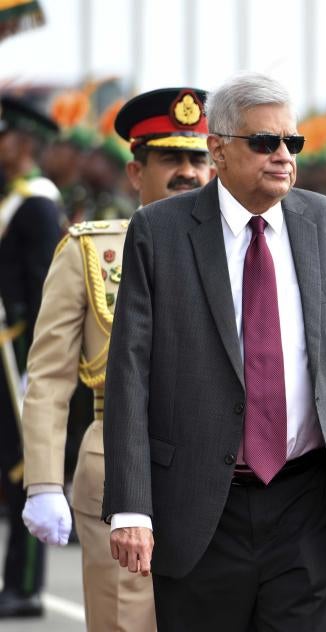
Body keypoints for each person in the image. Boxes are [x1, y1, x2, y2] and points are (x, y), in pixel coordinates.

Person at [102, 72, 326, 631]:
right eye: (265, 142)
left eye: (291, 143)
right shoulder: (161, 230)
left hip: (304, 500)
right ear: (218, 149)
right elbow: (130, 372)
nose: (282, 156)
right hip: (201, 506)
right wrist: (132, 507)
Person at [20, 86, 214, 631]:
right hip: (118, 470)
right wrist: (42, 483)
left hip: (216, 476)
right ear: (136, 172)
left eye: (198, 158)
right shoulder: (91, 250)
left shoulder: (242, 253)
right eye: (170, 158)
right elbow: (51, 379)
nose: (187, 172)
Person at [0, 94, 63, 619]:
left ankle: (24, 585)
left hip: (19, 352)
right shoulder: (12, 198)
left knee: (25, 468)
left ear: (21, 144)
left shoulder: (38, 204)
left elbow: (47, 292)